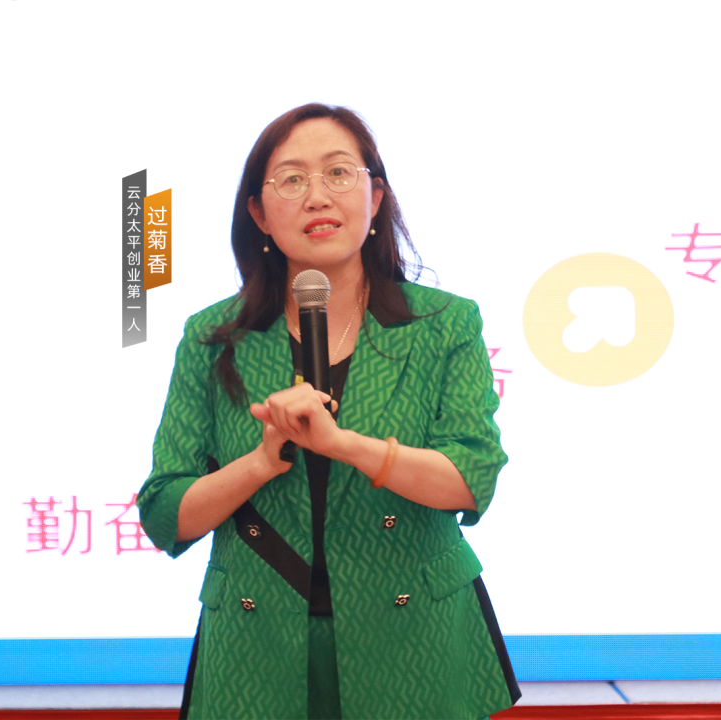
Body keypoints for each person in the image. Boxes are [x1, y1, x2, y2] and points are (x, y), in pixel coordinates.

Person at [137, 103, 519, 720]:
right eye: (291, 179)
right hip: (256, 645)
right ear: (259, 213)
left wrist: (343, 445)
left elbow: (471, 480)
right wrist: (261, 462)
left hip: (414, 638)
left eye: (339, 173)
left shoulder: (443, 324)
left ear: (375, 197)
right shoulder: (212, 338)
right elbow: (164, 513)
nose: (317, 196)